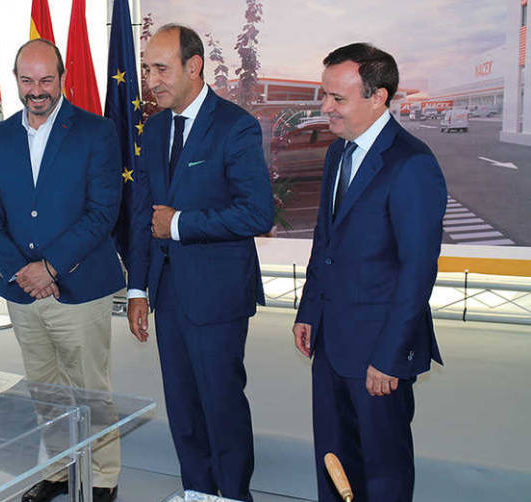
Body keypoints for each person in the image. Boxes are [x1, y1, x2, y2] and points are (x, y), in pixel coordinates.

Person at [125, 24, 274, 501]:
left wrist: (182, 224)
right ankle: (198, 492)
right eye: (148, 69)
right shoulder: (156, 127)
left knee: (220, 405)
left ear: (194, 67)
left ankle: (232, 495)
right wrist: (137, 288)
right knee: (184, 409)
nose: (152, 80)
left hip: (217, 297)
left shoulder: (235, 125)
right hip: (168, 296)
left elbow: (257, 212)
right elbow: (144, 215)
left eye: (161, 69)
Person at [292, 43, 446, 501]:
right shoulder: (339, 154)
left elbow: (417, 271)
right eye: (324, 96)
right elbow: (327, 243)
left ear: (378, 97)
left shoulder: (412, 164)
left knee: (383, 474)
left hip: (380, 354)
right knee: (335, 465)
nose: (325, 108)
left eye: (337, 99)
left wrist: (390, 356)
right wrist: (309, 311)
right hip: (332, 344)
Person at [0, 39, 124, 502]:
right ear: (15, 80)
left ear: (62, 78)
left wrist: (51, 266)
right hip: (22, 290)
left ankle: (102, 479)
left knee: (89, 390)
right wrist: (22, 270)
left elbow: (103, 212)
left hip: (78, 286)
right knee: (45, 388)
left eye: (46, 80)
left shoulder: (96, 132)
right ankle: (60, 471)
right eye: (26, 80)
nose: (36, 90)